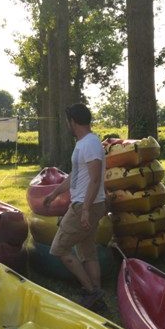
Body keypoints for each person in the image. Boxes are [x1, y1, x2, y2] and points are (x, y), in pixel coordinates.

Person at [43, 102, 108, 313]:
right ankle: (97, 298)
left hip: (84, 205)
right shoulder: (83, 143)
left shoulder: (90, 143)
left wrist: (86, 209)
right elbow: (77, 175)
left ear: (73, 121)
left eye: (67, 122)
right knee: (87, 250)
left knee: (59, 248)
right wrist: (55, 193)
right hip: (85, 203)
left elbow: (96, 178)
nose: (67, 125)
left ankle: (91, 291)